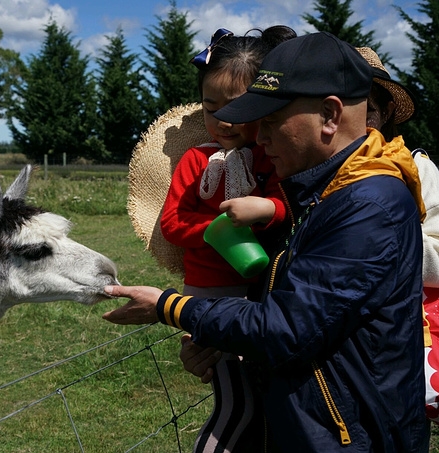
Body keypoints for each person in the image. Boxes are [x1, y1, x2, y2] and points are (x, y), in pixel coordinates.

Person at [102, 32, 429, 451]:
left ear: (330, 115)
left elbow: (287, 329)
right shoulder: (319, 191)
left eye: (271, 122)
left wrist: (172, 307)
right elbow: (298, 313)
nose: (260, 137)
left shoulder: (366, 206)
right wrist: (221, 343)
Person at [159, 25, 294, 453]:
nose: (220, 120)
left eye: (235, 108)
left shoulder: (271, 157)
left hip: (262, 290)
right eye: (209, 107)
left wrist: (268, 209)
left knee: (256, 393)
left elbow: (287, 205)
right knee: (234, 400)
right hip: (209, 292)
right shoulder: (195, 160)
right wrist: (217, 232)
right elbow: (171, 223)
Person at [357, 46, 439, 423]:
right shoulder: (315, 172)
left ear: (387, 111)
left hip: (408, 328)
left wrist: (381, 245)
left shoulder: (420, 172)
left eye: (365, 111)